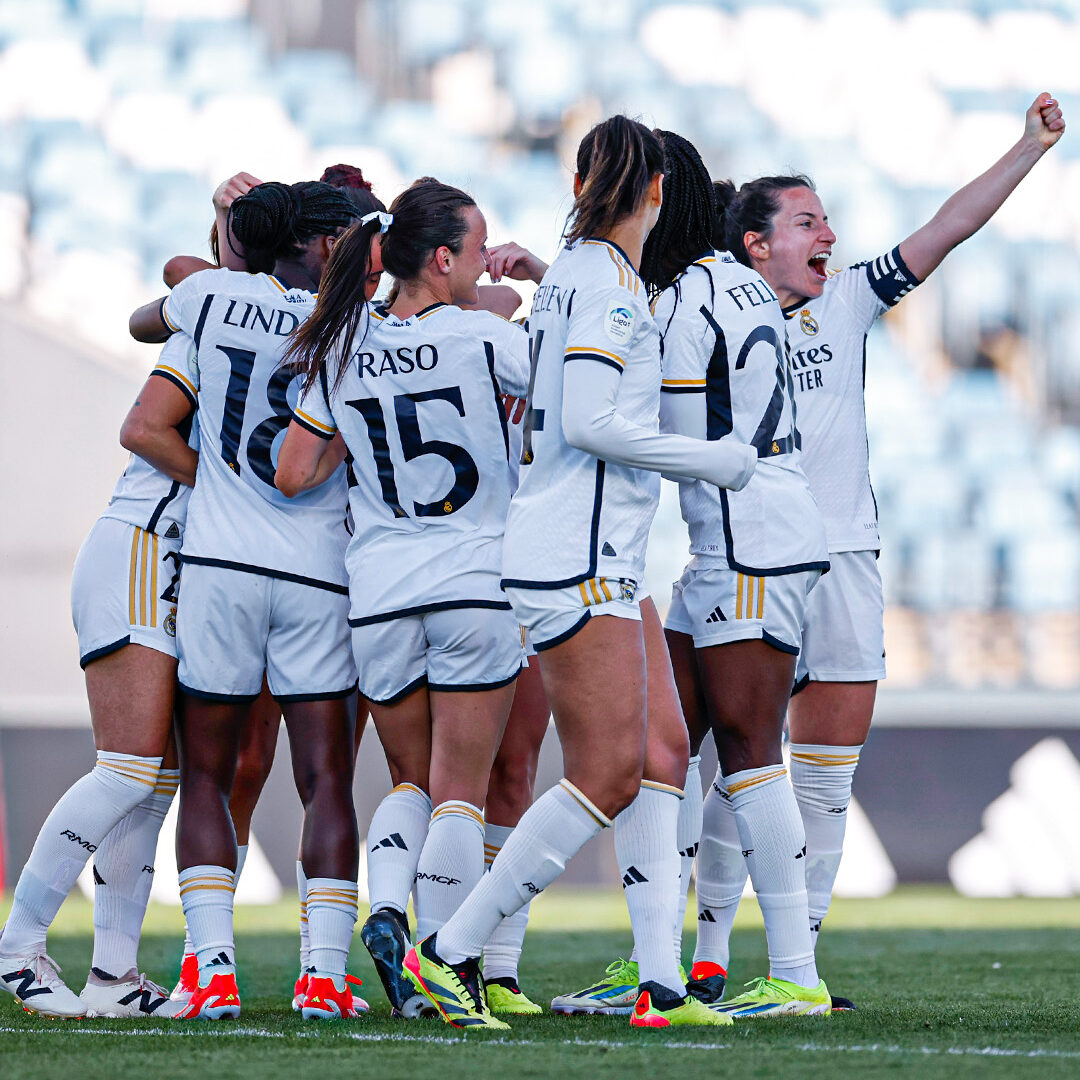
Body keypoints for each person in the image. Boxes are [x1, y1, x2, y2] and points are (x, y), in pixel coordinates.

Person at [689, 92, 1066, 1007]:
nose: (829, 234)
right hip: (744, 558)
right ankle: (699, 955)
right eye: (808, 220)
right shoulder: (701, 308)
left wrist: (1029, 149)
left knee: (822, 781)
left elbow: (947, 229)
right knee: (743, 766)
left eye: (829, 220)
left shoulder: (849, 296)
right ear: (756, 242)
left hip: (845, 557)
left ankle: (796, 972)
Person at [399, 115, 757, 1031]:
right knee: (606, 774)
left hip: (585, 545)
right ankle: (448, 951)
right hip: (579, 552)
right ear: (659, 193)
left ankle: (658, 985)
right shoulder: (606, 284)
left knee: (652, 754)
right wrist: (704, 459)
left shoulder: (588, 280)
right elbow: (592, 422)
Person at [275, 178, 534, 1021]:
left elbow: (292, 470)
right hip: (472, 582)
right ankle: (440, 968)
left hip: (379, 590)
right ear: (446, 257)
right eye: (476, 245)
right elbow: (570, 395)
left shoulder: (342, 341)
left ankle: (385, 910)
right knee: (462, 787)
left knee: (408, 780)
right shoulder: (485, 338)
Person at [128, 180, 366, 1021]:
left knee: (206, 774)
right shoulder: (351, 322)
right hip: (316, 567)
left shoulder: (209, 297)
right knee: (326, 776)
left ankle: (213, 971)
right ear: (316, 246)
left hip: (221, 562)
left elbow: (150, 311)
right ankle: (325, 979)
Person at [640, 130, 832, 1018]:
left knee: (752, 757)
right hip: (731, 544)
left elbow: (680, 441)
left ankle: (794, 971)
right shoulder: (733, 286)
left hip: (749, 540)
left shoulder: (693, 296)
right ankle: (663, 963)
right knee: (665, 748)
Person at [0, 333, 203, 1019]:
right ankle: (18, 947)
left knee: (153, 781)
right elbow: (143, 425)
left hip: (164, 562)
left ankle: (114, 975)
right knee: (126, 768)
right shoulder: (227, 307)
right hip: (144, 549)